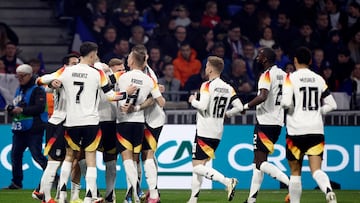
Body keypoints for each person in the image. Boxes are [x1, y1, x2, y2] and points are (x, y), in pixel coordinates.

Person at [55, 42, 136, 203]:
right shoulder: (99, 71)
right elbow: (111, 94)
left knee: (91, 158)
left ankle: (106, 194)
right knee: (84, 158)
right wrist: (126, 91)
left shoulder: (72, 71)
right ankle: (89, 193)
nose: (121, 71)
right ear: (93, 55)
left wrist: (51, 83)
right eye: (118, 69)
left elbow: (46, 80)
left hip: (96, 121)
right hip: (95, 121)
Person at [281, 46, 338, 203]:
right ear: (311, 61)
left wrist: (289, 107)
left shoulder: (290, 78)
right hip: (315, 129)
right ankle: (328, 191)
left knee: (295, 172)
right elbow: (332, 104)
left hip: (295, 131)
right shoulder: (319, 79)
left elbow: (285, 102)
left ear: (295, 61)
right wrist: (318, 111)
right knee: (316, 170)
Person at [187, 56, 244, 203]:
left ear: (211, 68)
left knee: (196, 167)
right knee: (201, 166)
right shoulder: (228, 88)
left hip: (204, 129)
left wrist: (193, 100)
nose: (205, 68)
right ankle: (192, 200)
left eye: (206, 66)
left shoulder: (206, 85)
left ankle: (227, 181)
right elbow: (239, 107)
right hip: (217, 132)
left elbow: (203, 106)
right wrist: (228, 114)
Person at [116, 45, 165, 203]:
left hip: (148, 120)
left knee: (140, 157)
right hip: (140, 121)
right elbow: (161, 100)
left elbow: (112, 94)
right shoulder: (149, 79)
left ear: (132, 59)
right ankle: (140, 193)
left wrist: (133, 106)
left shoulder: (125, 76)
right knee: (141, 157)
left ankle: (142, 192)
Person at [242, 47, 289, 203]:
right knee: (258, 163)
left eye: (260, 54)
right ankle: (251, 199)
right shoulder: (284, 75)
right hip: (278, 122)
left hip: (265, 121)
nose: (257, 57)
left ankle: (289, 182)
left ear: (266, 59)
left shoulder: (266, 75)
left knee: (260, 162)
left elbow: (262, 96)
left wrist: (245, 106)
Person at [33, 53, 79, 203]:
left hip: (72, 123)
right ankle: (46, 197)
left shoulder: (77, 77)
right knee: (54, 162)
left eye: (77, 62)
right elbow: (39, 80)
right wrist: (52, 82)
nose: (76, 65)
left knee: (68, 160)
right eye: (73, 63)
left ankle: (57, 194)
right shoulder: (62, 74)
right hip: (58, 123)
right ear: (65, 65)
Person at [5, 64, 48, 189]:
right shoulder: (20, 89)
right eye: (18, 76)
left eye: (22, 76)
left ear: (30, 75)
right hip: (19, 128)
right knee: (15, 155)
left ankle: (52, 177)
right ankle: (16, 182)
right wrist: (11, 109)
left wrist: (21, 110)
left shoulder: (37, 89)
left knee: (37, 155)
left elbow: (39, 108)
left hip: (34, 128)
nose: (20, 79)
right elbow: (18, 105)